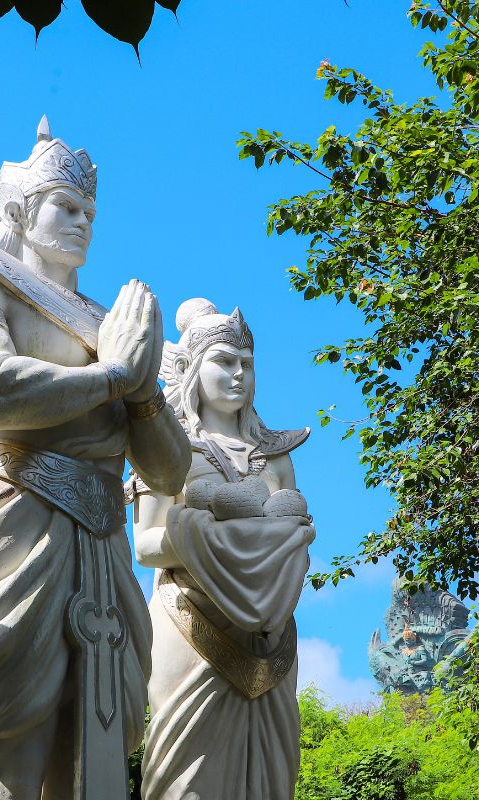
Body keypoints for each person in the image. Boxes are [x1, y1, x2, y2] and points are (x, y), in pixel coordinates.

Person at [0, 118, 190, 800]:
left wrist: (144, 384)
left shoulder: (111, 321)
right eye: (67, 207)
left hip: (99, 552)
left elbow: (170, 471)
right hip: (8, 530)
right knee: (3, 758)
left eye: (90, 212)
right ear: (19, 210)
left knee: (92, 770)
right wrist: (112, 378)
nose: (82, 222)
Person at [132, 298, 315, 800]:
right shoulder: (168, 447)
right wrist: (215, 534)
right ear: (191, 369)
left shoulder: (275, 457)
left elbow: (293, 532)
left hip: (270, 630)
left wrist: (255, 534)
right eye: (224, 362)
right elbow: (146, 545)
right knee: (184, 775)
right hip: (191, 621)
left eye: (247, 364)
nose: (238, 375)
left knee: (271, 778)